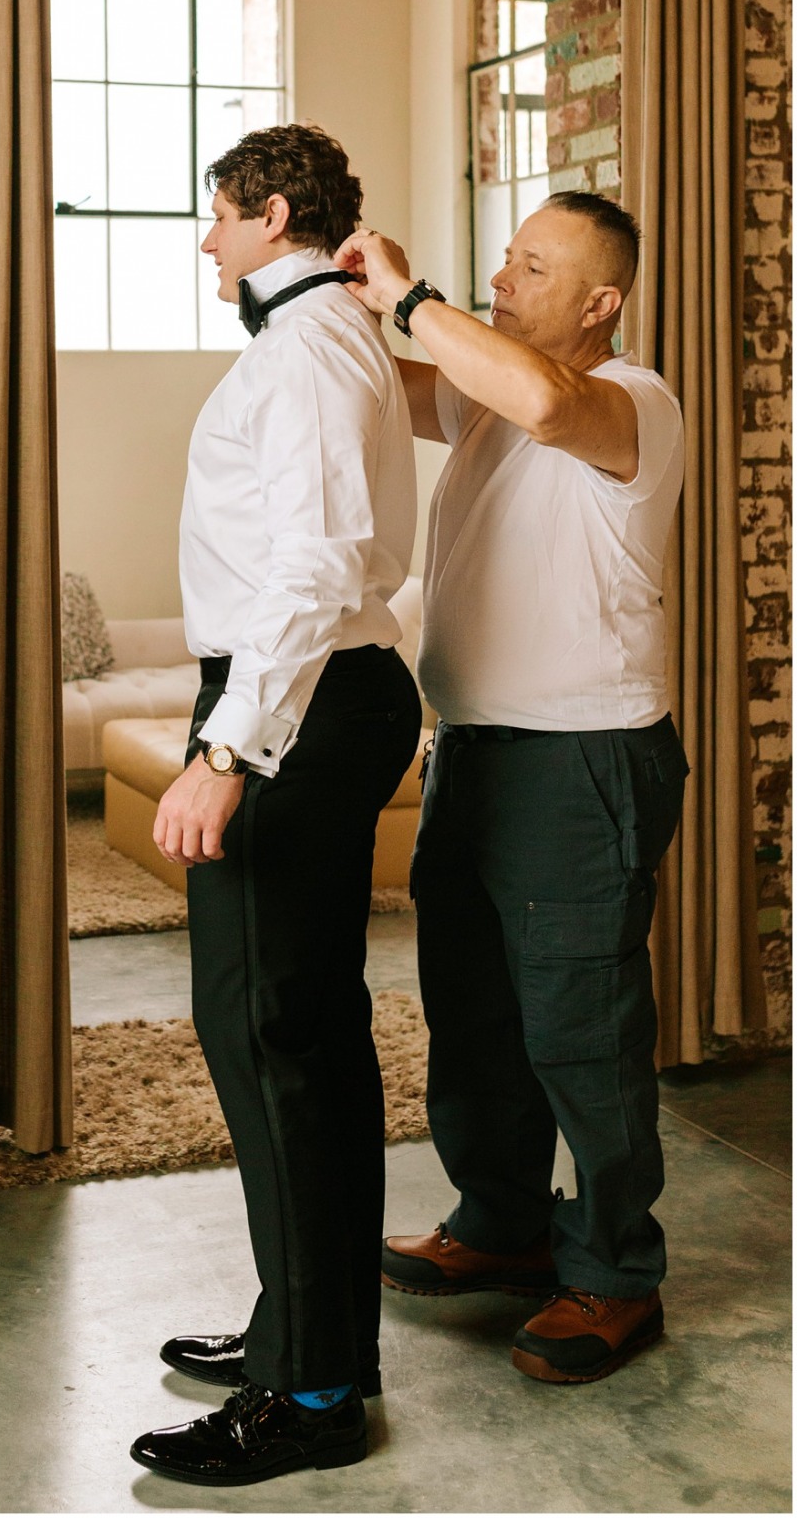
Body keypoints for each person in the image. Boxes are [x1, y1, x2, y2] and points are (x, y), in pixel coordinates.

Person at [336, 191, 687, 1387]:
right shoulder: (489, 395)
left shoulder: (629, 401)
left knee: (581, 1034)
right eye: (504, 257)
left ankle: (612, 1276)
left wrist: (411, 295)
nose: (502, 276)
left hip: (581, 760)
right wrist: (326, 283)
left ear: (601, 303)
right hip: (477, 749)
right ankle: (502, 1221)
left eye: (533, 267)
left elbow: (540, 396)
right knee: (474, 1013)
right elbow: (387, 384)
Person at [129, 123, 421, 1487]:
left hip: (293, 704)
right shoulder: (318, 336)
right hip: (303, 693)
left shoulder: (309, 347)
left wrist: (226, 752)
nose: (207, 239)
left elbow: (314, 566)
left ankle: (311, 1396)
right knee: (280, 1036)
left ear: (277, 212)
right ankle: (293, 1331)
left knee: (279, 1038)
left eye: (221, 216)